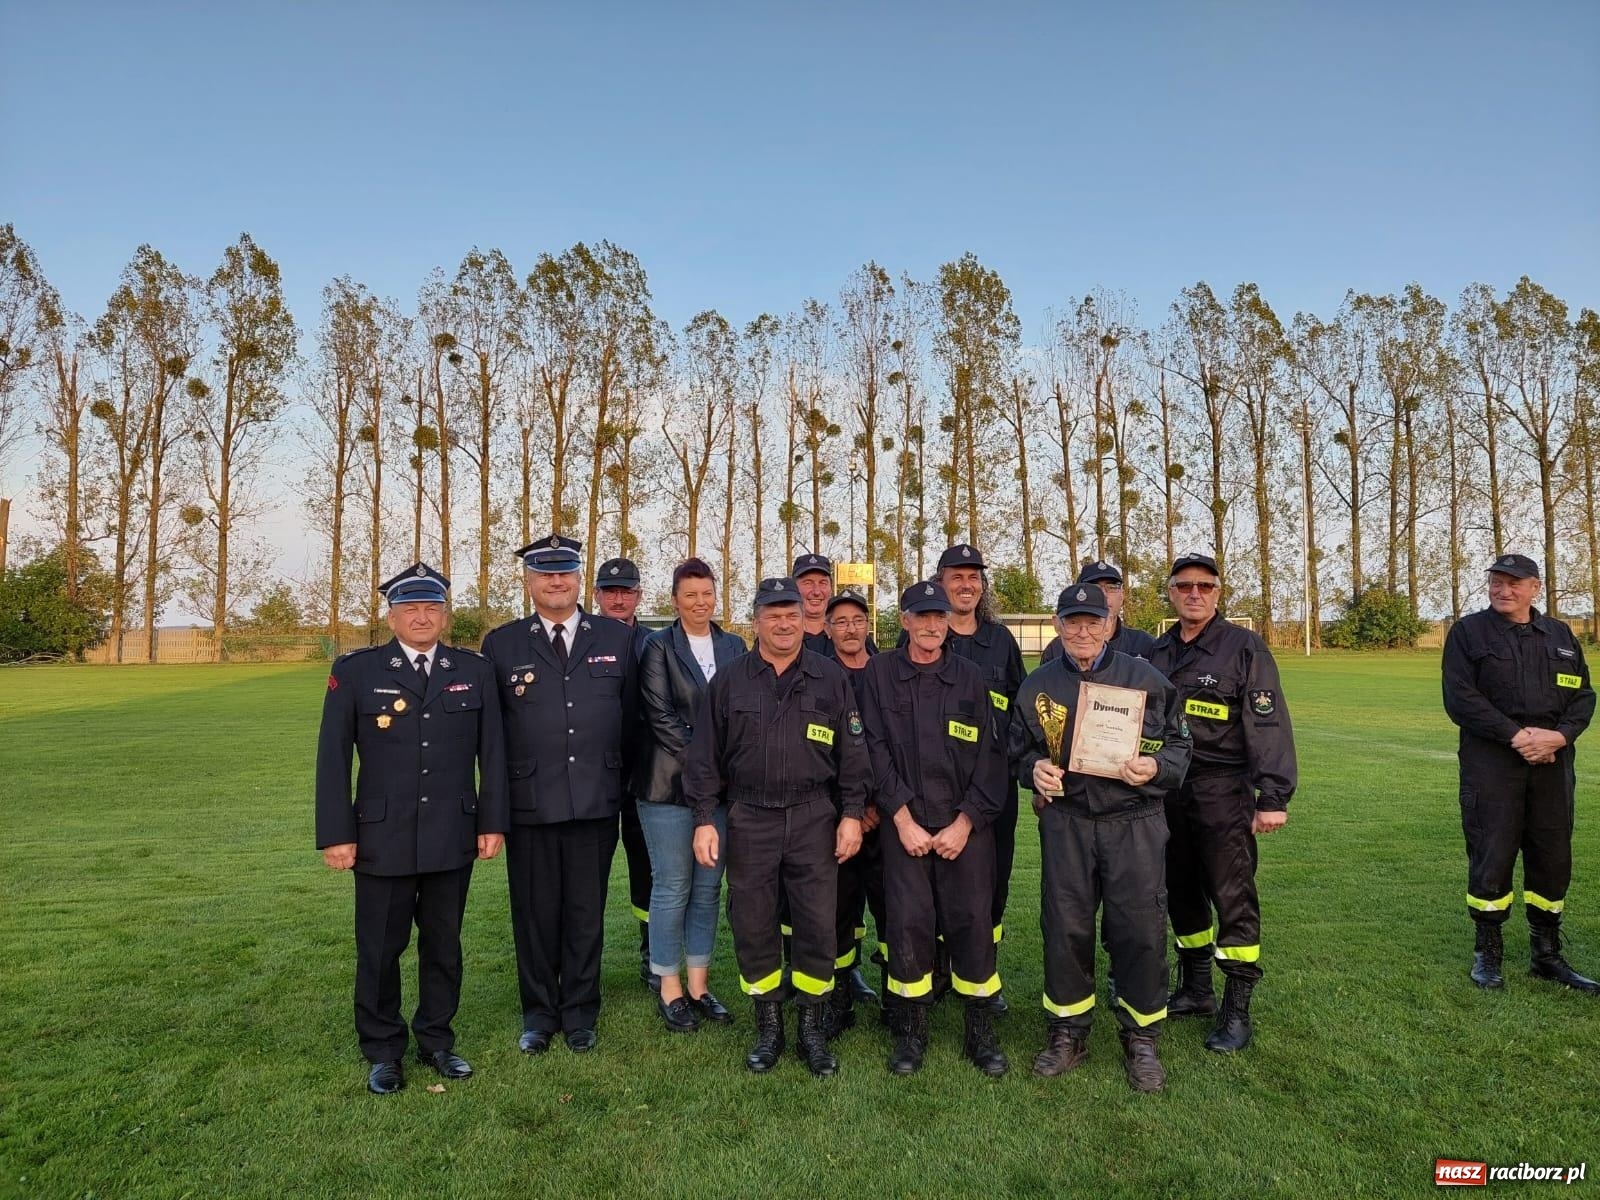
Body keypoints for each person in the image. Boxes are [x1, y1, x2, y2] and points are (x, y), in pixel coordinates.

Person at [315, 563, 508, 1094]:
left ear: (445, 615)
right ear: (391, 616)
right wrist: (336, 833)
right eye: (410, 609)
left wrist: (492, 822)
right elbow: (333, 758)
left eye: (432, 608)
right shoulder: (357, 671)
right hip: (382, 835)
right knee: (380, 948)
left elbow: (492, 752)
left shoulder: (473, 670)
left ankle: (437, 1040)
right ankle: (383, 1050)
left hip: (452, 831)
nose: (422, 617)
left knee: (444, 944)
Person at [683, 577, 868, 1077]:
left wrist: (852, 814)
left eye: (791, 615)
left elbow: (854, 756)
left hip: (814, 816)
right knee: (753, 922)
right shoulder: (730, 681)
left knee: (817, 923)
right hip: (750, 817)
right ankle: (768, 1026)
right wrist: (704, 820)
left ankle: (811, 1026)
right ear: (756, 621)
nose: (784, 624)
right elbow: (703, 759)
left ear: (804, 620)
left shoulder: (831, 678)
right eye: (773, 615)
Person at [1011, 583, 1191, 1092]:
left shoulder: (1146, 679)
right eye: (1073, 622)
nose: (1083, 632)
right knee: (1065, 927)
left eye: (1093, 622)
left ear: (1109, 624)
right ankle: (1068, 1032)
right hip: (1067, 822)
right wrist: (1033, 771)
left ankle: (1142, 1037)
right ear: (1057, 624)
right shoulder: (1038, 686)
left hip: (1134, 820)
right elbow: (1016, 750)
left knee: (1140, 928)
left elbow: (1180, 744)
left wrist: (1155, 766)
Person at [482, 535, 639, 1055]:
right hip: (530, 802)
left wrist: (621, 784)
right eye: (545, 574)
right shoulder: (502, 644)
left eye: (565, 572)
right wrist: (495, 812)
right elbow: (492, 736)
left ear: (579, 579)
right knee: (534, 914)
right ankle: (539, 1013)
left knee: (585, 913)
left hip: (596, 798)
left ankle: (580, 1011)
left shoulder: (615, 637)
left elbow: (631, 720)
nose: (556, 581)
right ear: (529, 582)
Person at [1147, 553, 1296, 1053]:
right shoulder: (1157, 652)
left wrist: (1272, 796)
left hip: (1222, 789)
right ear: (1171, 591)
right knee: (1180, 889)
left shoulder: (1243, 647)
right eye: (1185, 585)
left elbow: (1267, 723)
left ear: (1217, 592)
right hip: (1167, 789)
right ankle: (1195, 989)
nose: (1195, 594)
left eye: (1205, 586)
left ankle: (1237, 1010)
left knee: (1232, 897)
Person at [861, 581, 1009, 1076]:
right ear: (903, 621)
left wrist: (966, 822)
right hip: (904, 826)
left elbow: (991, 756)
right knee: (907, 925)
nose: (931, 625)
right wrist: (901, 819)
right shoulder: (880, 674)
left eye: (939, 617)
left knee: (972, 924)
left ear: (949, 622)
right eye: (921, 616)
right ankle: (911, 1033)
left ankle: (979, 1032)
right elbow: (872, 750)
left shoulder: (970, 677)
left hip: (963, 827)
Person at [1441, 553, 1597, 993]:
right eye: (1496, 581)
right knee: (1491, 853)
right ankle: (1487, 952)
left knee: (1552, 856)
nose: (1502, 590)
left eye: (1513, 583)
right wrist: (1518, 736)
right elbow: (1461, 699)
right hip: (1493, 765)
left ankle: (1546, 954)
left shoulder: (1561, 635)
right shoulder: (1468, 633)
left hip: (1553, 765)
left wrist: (1559, 737)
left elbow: (1583, 696)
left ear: (1535, 588)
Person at [636, 558, 747, 1031]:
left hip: (719, 792)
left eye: (707, 593)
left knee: (707, 889)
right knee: (672, 886)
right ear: (675, 600)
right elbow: (661, 718)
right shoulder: (657, 647)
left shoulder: (734, 645)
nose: (700, 602)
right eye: (690, 595)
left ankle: (700, 986)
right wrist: (709, 765)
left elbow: (743, 710)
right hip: (668, 787)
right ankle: (670, 986)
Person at [931, 543, 1025, 1007]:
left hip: (993, 788)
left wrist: (1019, 767)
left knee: (993, 879)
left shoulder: (1001, 641)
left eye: (974, 577)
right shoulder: (926, 633)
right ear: (940, 583)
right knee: (937, 878)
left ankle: (984, 969)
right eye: (957, 576)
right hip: (937, 786)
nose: (966, 585)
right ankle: (939, 967)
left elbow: (1022, 710)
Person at [818, 588, 886, 1029]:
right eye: (840, 621)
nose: (850, 628)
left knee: (891, 908)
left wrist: (876, 805)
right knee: (839, 909)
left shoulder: (887, 672)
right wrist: (850, 810)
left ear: (868, 625)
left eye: (857, 620)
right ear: (827, 629)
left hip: (887, 815)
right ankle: (839, 996)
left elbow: (896, 745)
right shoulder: (820, 675)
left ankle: (897, 999)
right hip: (838, 816)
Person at [595, 556, 656, 992]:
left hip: (644, 772)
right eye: (610, 591)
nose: (619, 599)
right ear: (597, 595)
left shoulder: (655, 643)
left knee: (648, 867)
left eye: (627, 591)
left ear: (639, 595)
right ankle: (581, 963)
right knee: (588, 872)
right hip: (593, 772)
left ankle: (652, 953)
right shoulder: (582, 638)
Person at [1040, 559, 1157, 664]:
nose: (1104, 594)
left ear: (1122, 595)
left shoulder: (1145, 644)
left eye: (1111, 587)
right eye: (1094, 588)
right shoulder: (1056, 649)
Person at [793, 552, 836, 654]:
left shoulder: (847, 634)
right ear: (794, 588)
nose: (816, 592)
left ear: (831, 589)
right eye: (808, 583)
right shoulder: (782, 636)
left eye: (823, 583)